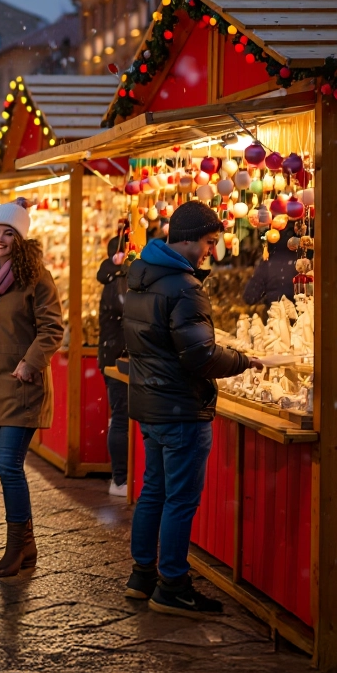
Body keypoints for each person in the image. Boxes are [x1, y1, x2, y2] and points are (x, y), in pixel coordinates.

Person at [123, 200, 261, 617]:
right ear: (188, 239)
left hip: (152, 403)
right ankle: (173, 585)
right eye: (208, 241)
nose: (209, 251)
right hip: (181, 407)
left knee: (154, 492)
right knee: (179, 500)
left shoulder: (142, 278)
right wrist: (243, 360)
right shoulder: (183, 286)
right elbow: (199, 356)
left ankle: (142, 575)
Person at [0, 201, 64, 578]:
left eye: (9, 232)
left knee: (9, 466)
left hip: (22, 385)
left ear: (20, 238)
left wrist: (30, 363)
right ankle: (26, 547)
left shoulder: (36, 277)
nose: (0, 238)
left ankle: (16, 547)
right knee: (4, 468)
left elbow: (52, 329)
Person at [96, 229, 131, 497]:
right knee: (120, 417)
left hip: (116, 355)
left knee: (120, 417)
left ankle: (121, 478)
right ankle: (119, 480)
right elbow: (126, 309)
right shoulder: (117, 281)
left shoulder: (116, 278)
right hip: (116, 358)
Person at [241, 240, 298, 307]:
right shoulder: (305, 263)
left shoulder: (267, 264)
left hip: (276, 313)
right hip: (305, 312)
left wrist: (265, 299)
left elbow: (249, 297)